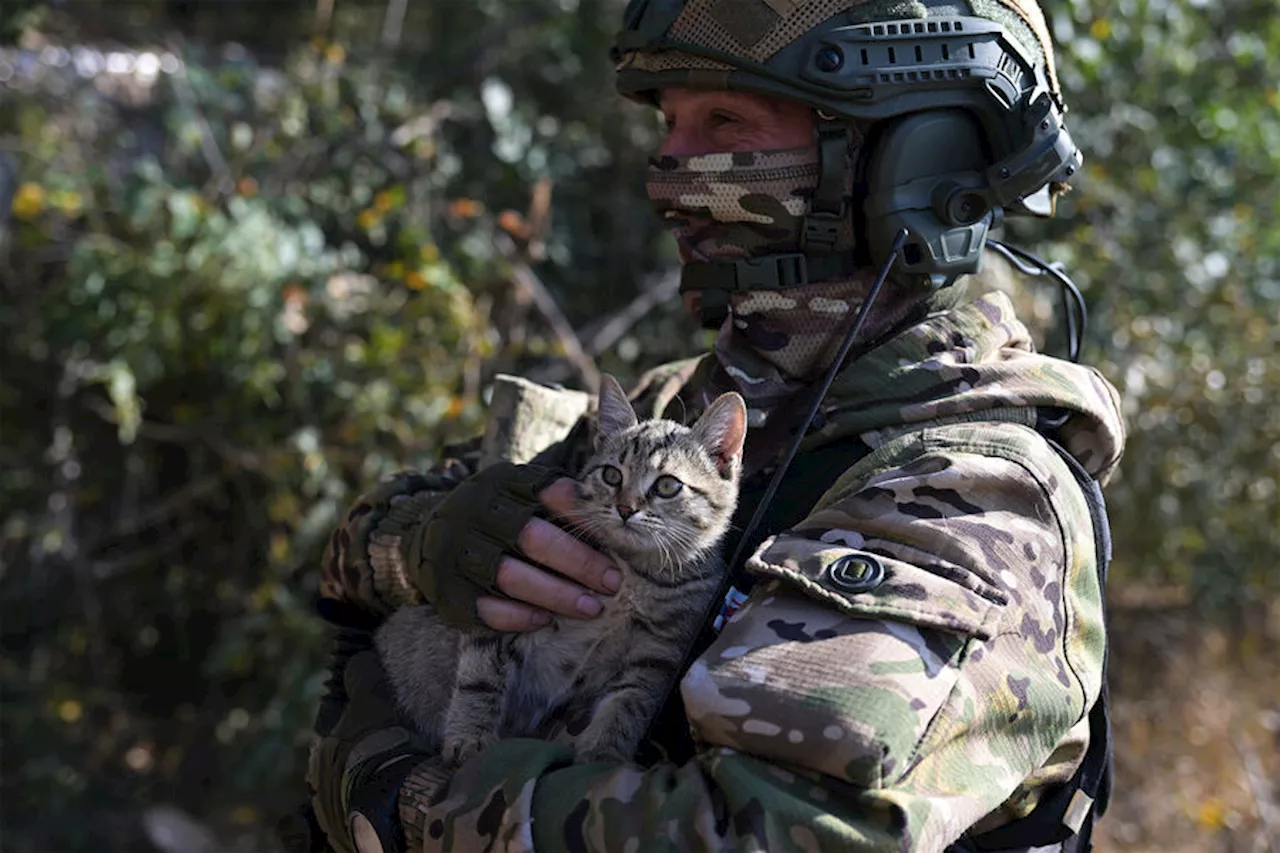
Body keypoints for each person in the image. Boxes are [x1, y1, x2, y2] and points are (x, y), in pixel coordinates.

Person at [294, 1, 1127, 851]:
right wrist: (426, 545)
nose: (671, 168)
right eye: (669, 122)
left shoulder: (972, 500)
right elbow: (342, 562)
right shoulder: (667, 409)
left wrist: (401, 800)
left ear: (912, 165)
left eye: (726, 119)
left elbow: (755, 836)